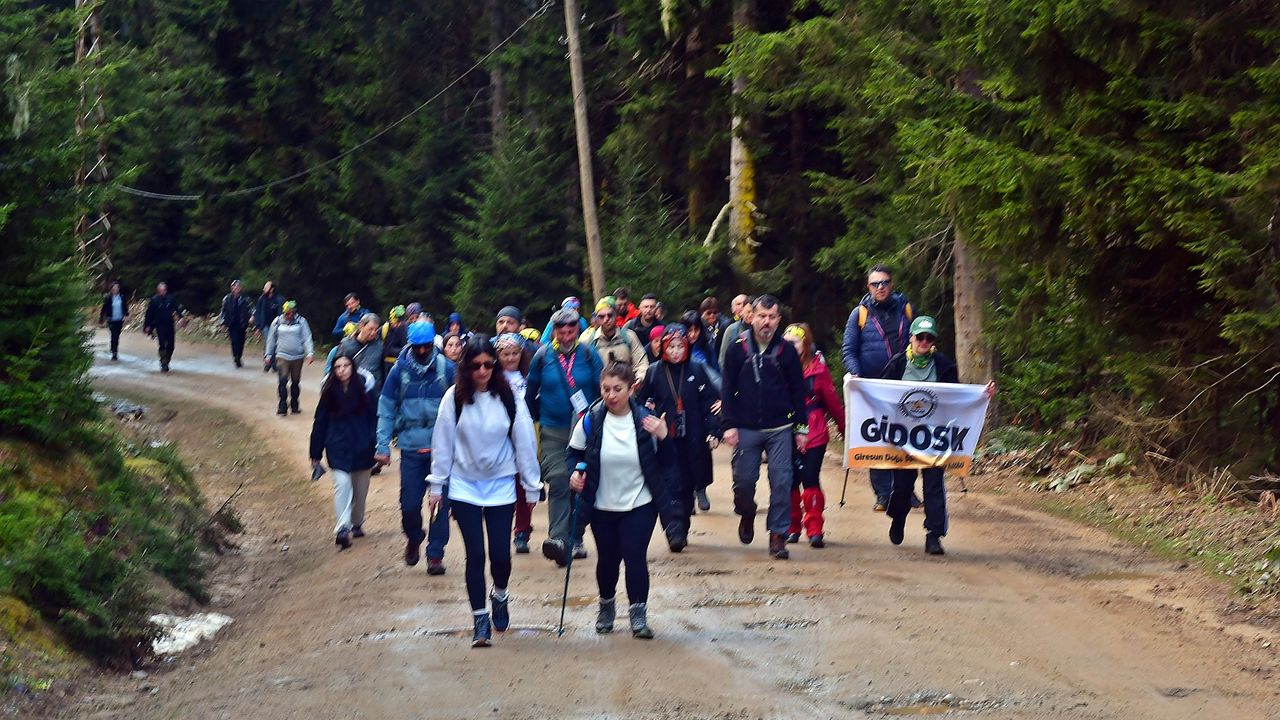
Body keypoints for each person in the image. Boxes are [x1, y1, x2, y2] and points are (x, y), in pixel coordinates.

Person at [428, 336, 541, 647]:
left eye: (488, 365)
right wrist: (437, 485)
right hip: (464, 484)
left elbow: (524, 443)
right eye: (475, 365)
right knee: (475, 554)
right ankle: (480, 620)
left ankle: (500, 593)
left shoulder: (509, 398)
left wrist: (532, 486)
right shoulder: (453, 399)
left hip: (501, 484)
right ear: (466, 366)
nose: (482, 371)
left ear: (496, 365)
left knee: (500, 556)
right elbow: (443, 444)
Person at [568, 363, 676, 639]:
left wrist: (664, 437)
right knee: (607, 559)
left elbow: (668, 464)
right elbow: (573, 454)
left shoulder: (646, 420)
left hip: (640, 502)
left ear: (631, 389)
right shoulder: (591, 419)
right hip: (601, 502)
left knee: (635, 555)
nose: (612, 395)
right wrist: (574, 474)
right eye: (606, 389)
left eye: (618, 389)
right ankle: (606, 608)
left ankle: (638, 615)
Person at [880, 316, 995, 556]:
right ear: (910, 338)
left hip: (933, 437)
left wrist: (982, 394)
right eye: (919, 337)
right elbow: (881, 396)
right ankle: (898, 516)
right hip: (903, 437)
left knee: (934, 484)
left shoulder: (943, 366)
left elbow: (956, 398)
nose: (924, 341)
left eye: (928, 337)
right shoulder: (897, 364)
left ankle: (933, 535)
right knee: (902, 486)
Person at [720, 295, 808, 560]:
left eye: (771, 317)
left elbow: (797, 390)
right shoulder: (738, 348)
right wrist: (728, 425)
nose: (766, 322)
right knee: (744, 482)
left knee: (782, 481)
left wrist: (801, 428)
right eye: (761, 316)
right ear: (751, 317)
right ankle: (746, 513)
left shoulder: (787, 351)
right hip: (746, 427)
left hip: (780, 427)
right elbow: (727, 388)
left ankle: (778, 535)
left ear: (779, 320)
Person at [376, 321, 456, 575]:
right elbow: (386, 410)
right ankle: (414, 536)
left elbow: (463, 408)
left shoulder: (448, 370)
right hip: (410, 448)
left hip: (441, 448)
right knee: (409, 504)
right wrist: (383, 446)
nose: (422, 352)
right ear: (410, 345)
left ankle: (435, 554)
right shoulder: (398, 372)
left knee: (440, 504)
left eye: (426, 347)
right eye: (417, 347)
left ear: (433, 344)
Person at [526, 308, 604, 565]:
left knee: (579, 482)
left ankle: (575, 536)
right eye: (561, 330)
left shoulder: (589, 355)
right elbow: (531, 392)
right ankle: (558, 540)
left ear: (577, 330)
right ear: (555, 330)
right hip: (552, 429)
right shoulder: (542, 356)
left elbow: (603, 390)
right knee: (559, 479)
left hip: (584, 430)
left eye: (571, 330)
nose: (567, 334)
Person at [638, 326, 721, 552]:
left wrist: (714, 431)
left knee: (686, 486)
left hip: (692, 439)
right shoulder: (654, 372)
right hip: (665, 440)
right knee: (668, 485)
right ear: (663, 347)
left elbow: (711, 404)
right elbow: (640, 403)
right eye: (671, 347)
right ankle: (672, 529)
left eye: (680, 347)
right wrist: (649, 414)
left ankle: (681, 528)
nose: (675, 352)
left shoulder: (697, 369)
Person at [842, 264, 915, 512]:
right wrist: (856, 374)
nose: (880, 287)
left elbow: (919, 341)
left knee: (905, 437)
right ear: (868, 287)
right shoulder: (859, 314)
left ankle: (906, 490)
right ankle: (883, 494)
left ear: (891, 284)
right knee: (878, 440)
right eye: (875, 284)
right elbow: (849, 349)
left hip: (905, 383)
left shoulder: (906, 309)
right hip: (873, 388)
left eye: (884, 282)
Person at [782, 323, 844, 548]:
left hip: (814, 432)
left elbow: (833, 402)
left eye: (795, 342)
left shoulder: (818, 370)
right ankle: (792, 526)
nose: (790, 346)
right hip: (786, 431)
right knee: (790, 481)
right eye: (787, 342)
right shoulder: (777, 367)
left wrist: (844, 427)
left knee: (809, 478)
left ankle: (815, 527)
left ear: (805, 344)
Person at [309, 353, 378, 548]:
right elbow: (320, 422)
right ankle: (342, 529)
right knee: (342, 485)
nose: (342, 370)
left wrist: (377, 442)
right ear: (333, 369)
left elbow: (375, 417)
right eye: (337, 367)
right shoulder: (329, 391)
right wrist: (315, 453)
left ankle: (357, 522)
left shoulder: (366, 388)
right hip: (337, 446)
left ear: (352, 366)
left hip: (363, 446)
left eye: (346, 365)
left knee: (360, 489)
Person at [496, 332, 537, 554]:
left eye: (515, 353)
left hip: (525, 435)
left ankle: (522, 530)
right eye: (506, 354)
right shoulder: (494, 380)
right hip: (502, 438)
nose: (511, 358)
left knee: (524, 483)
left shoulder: (528, 379)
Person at [264, 300, 315, 415]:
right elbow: (271, 339)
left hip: (298, 357)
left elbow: (307, 337)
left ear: (295, 312)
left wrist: (310, 353)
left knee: (295, 382)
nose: (289, 315)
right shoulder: (277, 322)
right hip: (282, 356)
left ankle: (295, 405)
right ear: (284, 312)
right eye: (287, 313)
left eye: (291, 313)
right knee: (282, 381)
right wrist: (268, 355)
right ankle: (282, 405)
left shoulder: (301, 322)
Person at [583, 299, 649, 384]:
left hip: (627, 390)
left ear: (616, 315)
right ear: (597, 318)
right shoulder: (589, 341)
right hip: (602, 392)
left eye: (609, 315)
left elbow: (641, 363)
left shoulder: (629, 337)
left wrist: (639, 379)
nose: (606, 319)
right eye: (601, 316)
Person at [143, 282, 184, 372]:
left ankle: (167, 359)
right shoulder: (154, 300)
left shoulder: (170, 299)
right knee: (162, 343)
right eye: (160, 290)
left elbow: (177, 309)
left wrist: (180, 318)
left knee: (171, 345)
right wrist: (147, 326)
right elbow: (149, 314)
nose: (162, 292)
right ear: (158, 291)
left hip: (169, 325)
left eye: (164, 290)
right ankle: (163, 362)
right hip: (159, 325)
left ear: (166, 290)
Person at [340, 313, 385, 389]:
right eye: (370, 329)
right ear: (361, 327)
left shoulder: (380, 346)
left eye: (376, 329)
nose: (373, 333)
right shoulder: (346, 344)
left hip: (372, 392)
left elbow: (383, 371)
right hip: (351, 390)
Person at [680, 310, 721, 388]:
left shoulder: (707, 348)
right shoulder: (678, 350)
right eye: (689, 330)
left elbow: (716, 371)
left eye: (696, 330)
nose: (692, 334)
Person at [218, 279, 253, 368]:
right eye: (235, 286)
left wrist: (252, 316)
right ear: (231, 288)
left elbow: (252, 309)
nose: (236, 288)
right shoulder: (227, 298)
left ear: (240, 288)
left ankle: (239, 356)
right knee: (234, 341)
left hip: (242, 323)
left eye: (238, 286)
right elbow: (223, 312)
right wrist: (222, 323)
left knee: (241, 341)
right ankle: (236, 357)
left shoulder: (245, 298)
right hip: (231, 323)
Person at [718, 296, 754, 370]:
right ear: (742, 311)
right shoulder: (731, 330)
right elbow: (722, 358)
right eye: (748, 312)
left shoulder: (762, 331)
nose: (750, 315)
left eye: (753, 312)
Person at [98, 280, 127, 361]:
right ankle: (114, 352)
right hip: (111, 319)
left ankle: (114, 348)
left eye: (116, 288)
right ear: (111, 289)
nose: (115, 289)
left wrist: (127, 315)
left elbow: (125, 307)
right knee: (114, 334)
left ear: (118, 289)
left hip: (119, 319)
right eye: (113, 288)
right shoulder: (108, 298)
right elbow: (104, 308)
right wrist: (101, 318)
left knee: (117, 335)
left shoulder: (122, 297)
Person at [381, 305, 409, 378]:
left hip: (400, 363)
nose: (398, 325)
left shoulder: (404, 327)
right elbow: (386, 349)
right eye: (396, 322)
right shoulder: (385, 329)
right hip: (387, 365)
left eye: (400, 322)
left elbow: (405, 345)